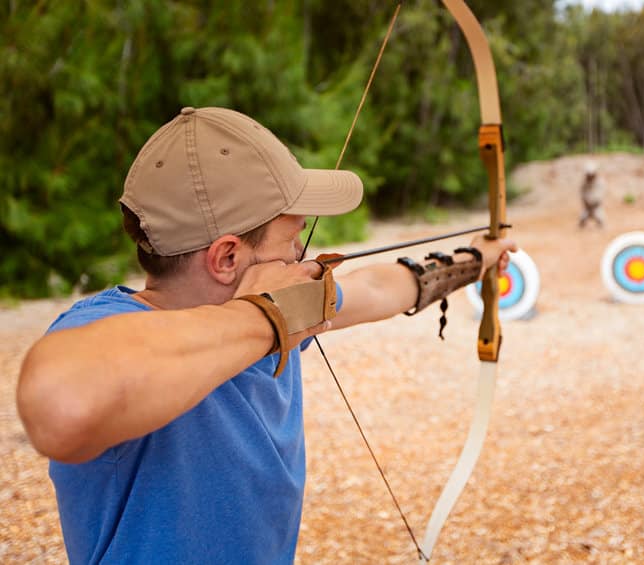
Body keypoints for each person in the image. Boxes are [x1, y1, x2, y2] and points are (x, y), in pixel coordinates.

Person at [16, 107, 516, 564]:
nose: (301, 253)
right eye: (291, 238)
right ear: (228, 258)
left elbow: (376, 287)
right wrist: (262, 316)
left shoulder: (281, 308)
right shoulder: (110, 330)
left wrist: (472, 261)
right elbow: (61, 405)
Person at [578, 160, 605, 228]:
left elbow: (600, 194)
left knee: (600, 218)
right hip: (587, 207)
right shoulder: (584, 183)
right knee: (582, 218)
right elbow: (582, 193)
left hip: (596, 207)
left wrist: (593, 201)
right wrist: (586, 201)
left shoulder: (599, 182)